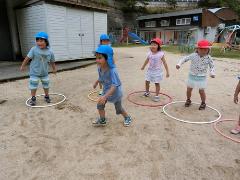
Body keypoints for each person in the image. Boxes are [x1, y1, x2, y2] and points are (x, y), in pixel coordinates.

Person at [93, 45, 132, 127]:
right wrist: (97, 82)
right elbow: (101, 77)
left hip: (115, 93)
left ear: (107, 58)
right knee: (100, 105)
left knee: (119, 109)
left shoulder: (112, 71)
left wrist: (105, 97)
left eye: (100, 58)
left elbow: (115, 86)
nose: (97, 60)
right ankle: (103, 120)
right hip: (106, 91)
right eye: (96, 58)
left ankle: (127, 117)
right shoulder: (99, 68)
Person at [176, 39, 215, 110]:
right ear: (197, 49)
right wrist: (179, 64)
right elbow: (184, 59)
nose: (203, 51)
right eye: (201, 49)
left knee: (201, 91)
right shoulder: (193, 55)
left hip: (201, 77)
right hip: (192, 76)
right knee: (189, 90)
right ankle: (188, 100)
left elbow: (212, 66)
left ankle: (203, 103)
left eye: (205, 50)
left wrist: (212, 73)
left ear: (208, 50)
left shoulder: (209, 58)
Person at [20, 32, 56, 106]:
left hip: (44, 72)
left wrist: (54, 69)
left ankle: (46, 96)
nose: (39, 42)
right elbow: (27, 58)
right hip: (34, 72)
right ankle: (33, 98)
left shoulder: (50, 52)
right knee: (33, 85)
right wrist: (23, 66)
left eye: (41, 41)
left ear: (46, 41)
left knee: (46, 85)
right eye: (37, 40)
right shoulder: (34, 49)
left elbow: (52, 61)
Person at [141, 38, 170, 102]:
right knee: (147, 81)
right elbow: (147, 60)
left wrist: (167, 72)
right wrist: (143, 66)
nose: (152, 46)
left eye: (154, 45)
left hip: (157, 71)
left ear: (158, 46)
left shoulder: (160, 54)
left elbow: (165, 63)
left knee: (157, 83)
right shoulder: (149, 53)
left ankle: (157, 95)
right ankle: (147, 92)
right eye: (151, 44)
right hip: (150, 70)